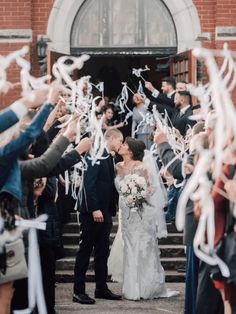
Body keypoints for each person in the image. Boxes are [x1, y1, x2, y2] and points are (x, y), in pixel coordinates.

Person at [109, 137, 177, 300]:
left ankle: (147, 287)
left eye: (124, 144)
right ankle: (132, 287)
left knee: (144, 246)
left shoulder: (142, 167)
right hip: (125, 211)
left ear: (131, 151)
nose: (122, 145)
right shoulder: (118, 166)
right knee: (129, 246)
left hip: (141, 211)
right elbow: (117, 187)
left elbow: (151, 188)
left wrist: (140, 195)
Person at [73, 128, 124, 305]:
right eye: (120, 141)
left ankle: (101, 288)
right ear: (110, 138)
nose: (120, 144)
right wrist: (94, 208)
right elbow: (89, 183)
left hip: (105, 211)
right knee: (85, 251)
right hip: (91, 211)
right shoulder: (95, 153)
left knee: (103, 252)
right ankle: (78, 291)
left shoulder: (109, 156)